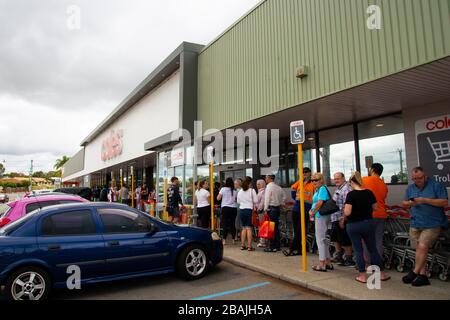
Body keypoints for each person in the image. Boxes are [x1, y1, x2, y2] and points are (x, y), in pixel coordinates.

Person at [401, 167, 449, 287]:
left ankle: (414, 272)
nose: (417, 180)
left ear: (425, 176)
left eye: (420, 178)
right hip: (415, 223)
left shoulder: (436, 186)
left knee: (422, 246)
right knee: (418, 249)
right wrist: (410, 203)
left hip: (433, 223)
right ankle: (422, 276)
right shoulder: (410, 189)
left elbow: (444, 202)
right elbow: (404, 204)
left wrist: (425, 200)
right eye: (414, 178)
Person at [344, 172, 390, 283]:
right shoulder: (369, 193)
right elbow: (375, 207)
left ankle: (362, 276)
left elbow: (347, 212)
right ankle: (382, 274)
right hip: (368, 223)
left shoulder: (351, 195)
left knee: (358, 250)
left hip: (354, 225)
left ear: (352, 182)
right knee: (373, 249)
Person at [284, 167, 314, 256]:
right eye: (303, 172)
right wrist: (296, 199)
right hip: (297, 209)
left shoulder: (312, 183)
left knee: (299, 231)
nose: (304, 173)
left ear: (310, 173)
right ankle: (300, 249)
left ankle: (291, 249)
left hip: (305, 210)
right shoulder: (300, 182)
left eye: (306, 172)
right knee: (297, 230)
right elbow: (293, 188)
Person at [362, 163, 388, 261]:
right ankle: (378, 262)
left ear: (372, 170)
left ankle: (368, 262)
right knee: (378, 240)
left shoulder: (365, 180)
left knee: (366, 240)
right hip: (381, 214)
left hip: (368, 214)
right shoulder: (383, 184)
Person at [309, 173, 333, 271]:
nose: (314, 182)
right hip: (322, 216)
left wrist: (312, 212)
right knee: (324, 240)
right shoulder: (319, 189)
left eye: (316, 179)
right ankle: (328, 262)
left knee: (320, 240)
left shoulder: (322, 189)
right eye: (312, 180)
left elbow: (320, 202)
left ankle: (322, 263)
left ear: (321, 180)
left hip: (321, 216)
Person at [330, 172, 355, 267]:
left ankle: (349, 258)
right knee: (335, 237)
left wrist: (343, 218)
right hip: (335, 217)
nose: (336, 180)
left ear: (343, 178)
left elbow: (347, 205)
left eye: (338, 178)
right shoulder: (339, 188)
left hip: (341, 218)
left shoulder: (346, 189)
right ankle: (338, 256)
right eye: (335, 178)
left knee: (345, 238)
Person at [263, 175, 286, 253]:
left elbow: (267, 198)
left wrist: (265, 209)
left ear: (269, 178)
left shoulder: (269, 187)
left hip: (271, 209)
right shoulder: (278, 187)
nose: (265, 179)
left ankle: (272, 247)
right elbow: (284, 196)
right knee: (276, 228)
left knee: (270, 229)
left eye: (266, 178)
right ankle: (277, 246)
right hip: (277, 209)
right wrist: (280, 203)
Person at [237, 177, 258, 251]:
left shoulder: (240, 191)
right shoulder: (252, 191)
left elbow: (238, 202)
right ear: (250, 183)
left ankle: (242, 245)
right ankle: (249, 246)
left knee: (243, 228)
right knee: (249, 228)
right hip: (249, 210)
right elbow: (256, 200)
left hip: (242, 210)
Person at [217, 178, 238, 245]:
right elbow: (236, 200)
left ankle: (224, 240)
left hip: (225, 208)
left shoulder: (223, 189)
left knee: (225, 224)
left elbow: (218, 198)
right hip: (233, 208)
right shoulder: (235, 190)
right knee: (232, 224)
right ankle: (233, 240)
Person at [256, 179, 267, 248]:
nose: (257, 186)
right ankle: (263, 240)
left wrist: (258, 209)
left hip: (261, 211)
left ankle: (262, 241)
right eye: (257, 184)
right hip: (261, 211)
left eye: (259, 184)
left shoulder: (263, 192)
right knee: (263, 226)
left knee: (262, 226)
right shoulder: (260, 191)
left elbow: (262, 202)